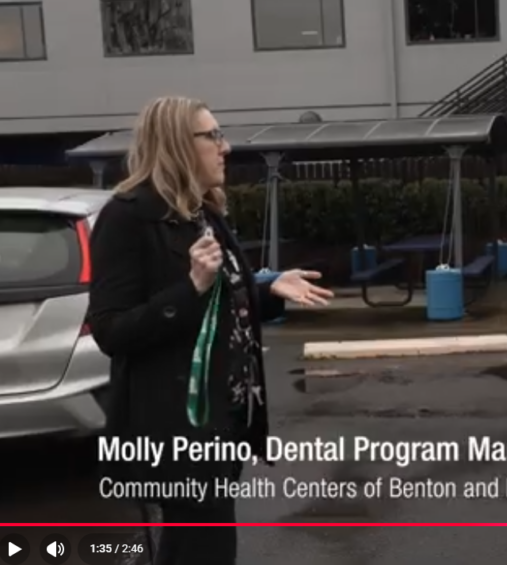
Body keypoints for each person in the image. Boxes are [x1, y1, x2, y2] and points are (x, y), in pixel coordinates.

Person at [86, 95, 334, 565]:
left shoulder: (204, 212)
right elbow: (111, 330)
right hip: (178, 429)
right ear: (179, 145)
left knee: (197, 549)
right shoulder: (128, 216)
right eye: (213, 136)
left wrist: (266, 288)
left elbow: (220, 303)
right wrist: (191, 287)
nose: (226, 146)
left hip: (224, 421)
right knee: (204, 551)